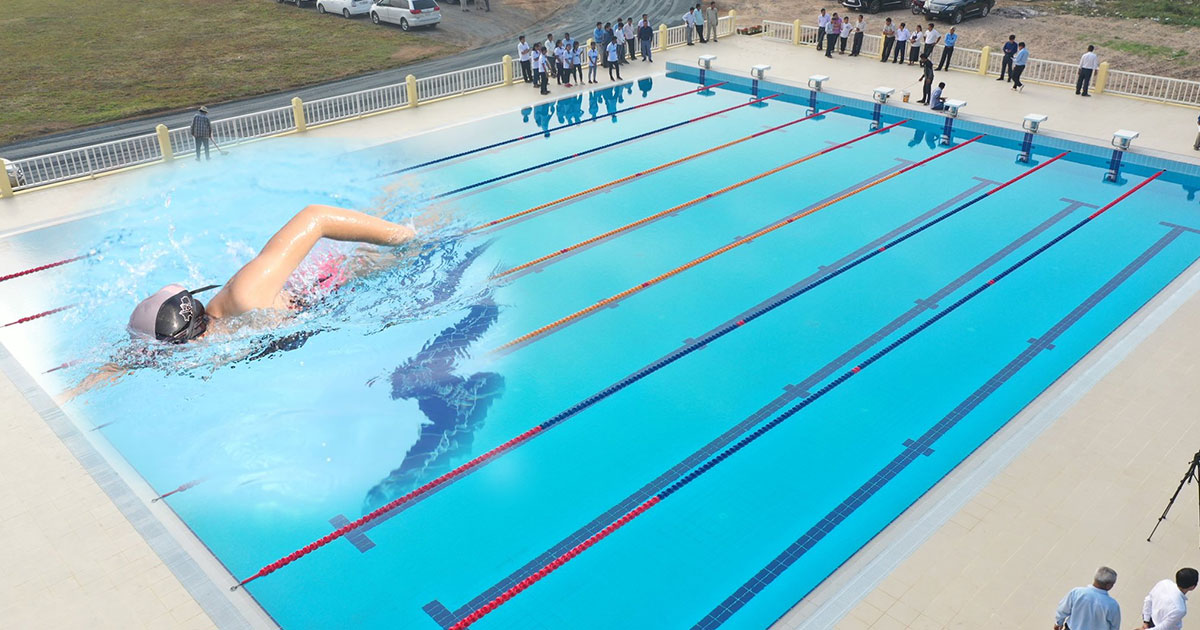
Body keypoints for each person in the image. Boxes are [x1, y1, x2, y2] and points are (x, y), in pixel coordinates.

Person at [1053, 567, 1120, 630]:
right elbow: (1114, 626)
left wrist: (1058, 623)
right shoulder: (1112, 605)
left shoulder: (1077, 592)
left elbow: (1063, 609)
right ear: (1108, 586)